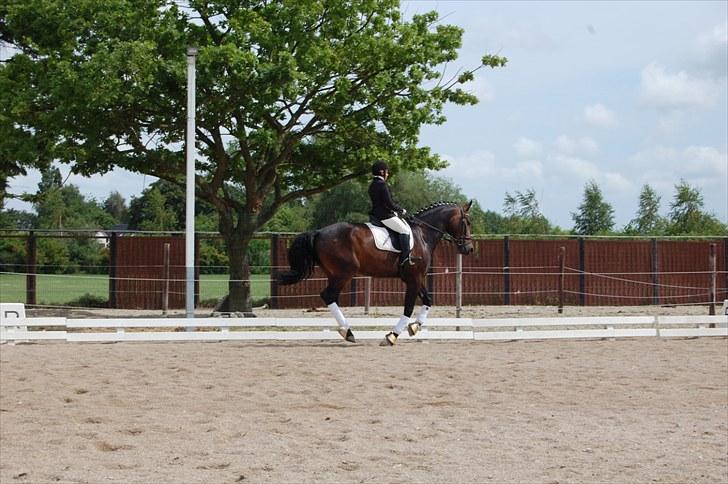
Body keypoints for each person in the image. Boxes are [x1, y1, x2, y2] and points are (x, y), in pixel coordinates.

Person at [368, 161, 415, 267]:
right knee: (405, 230)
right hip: (385, 216)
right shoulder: (382, 185)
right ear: (381, 172)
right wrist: (400, 210)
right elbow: (389, 203)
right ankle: (405, 259)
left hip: (375, 214)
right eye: (387, 172)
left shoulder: (372, 185)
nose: (387, 174)